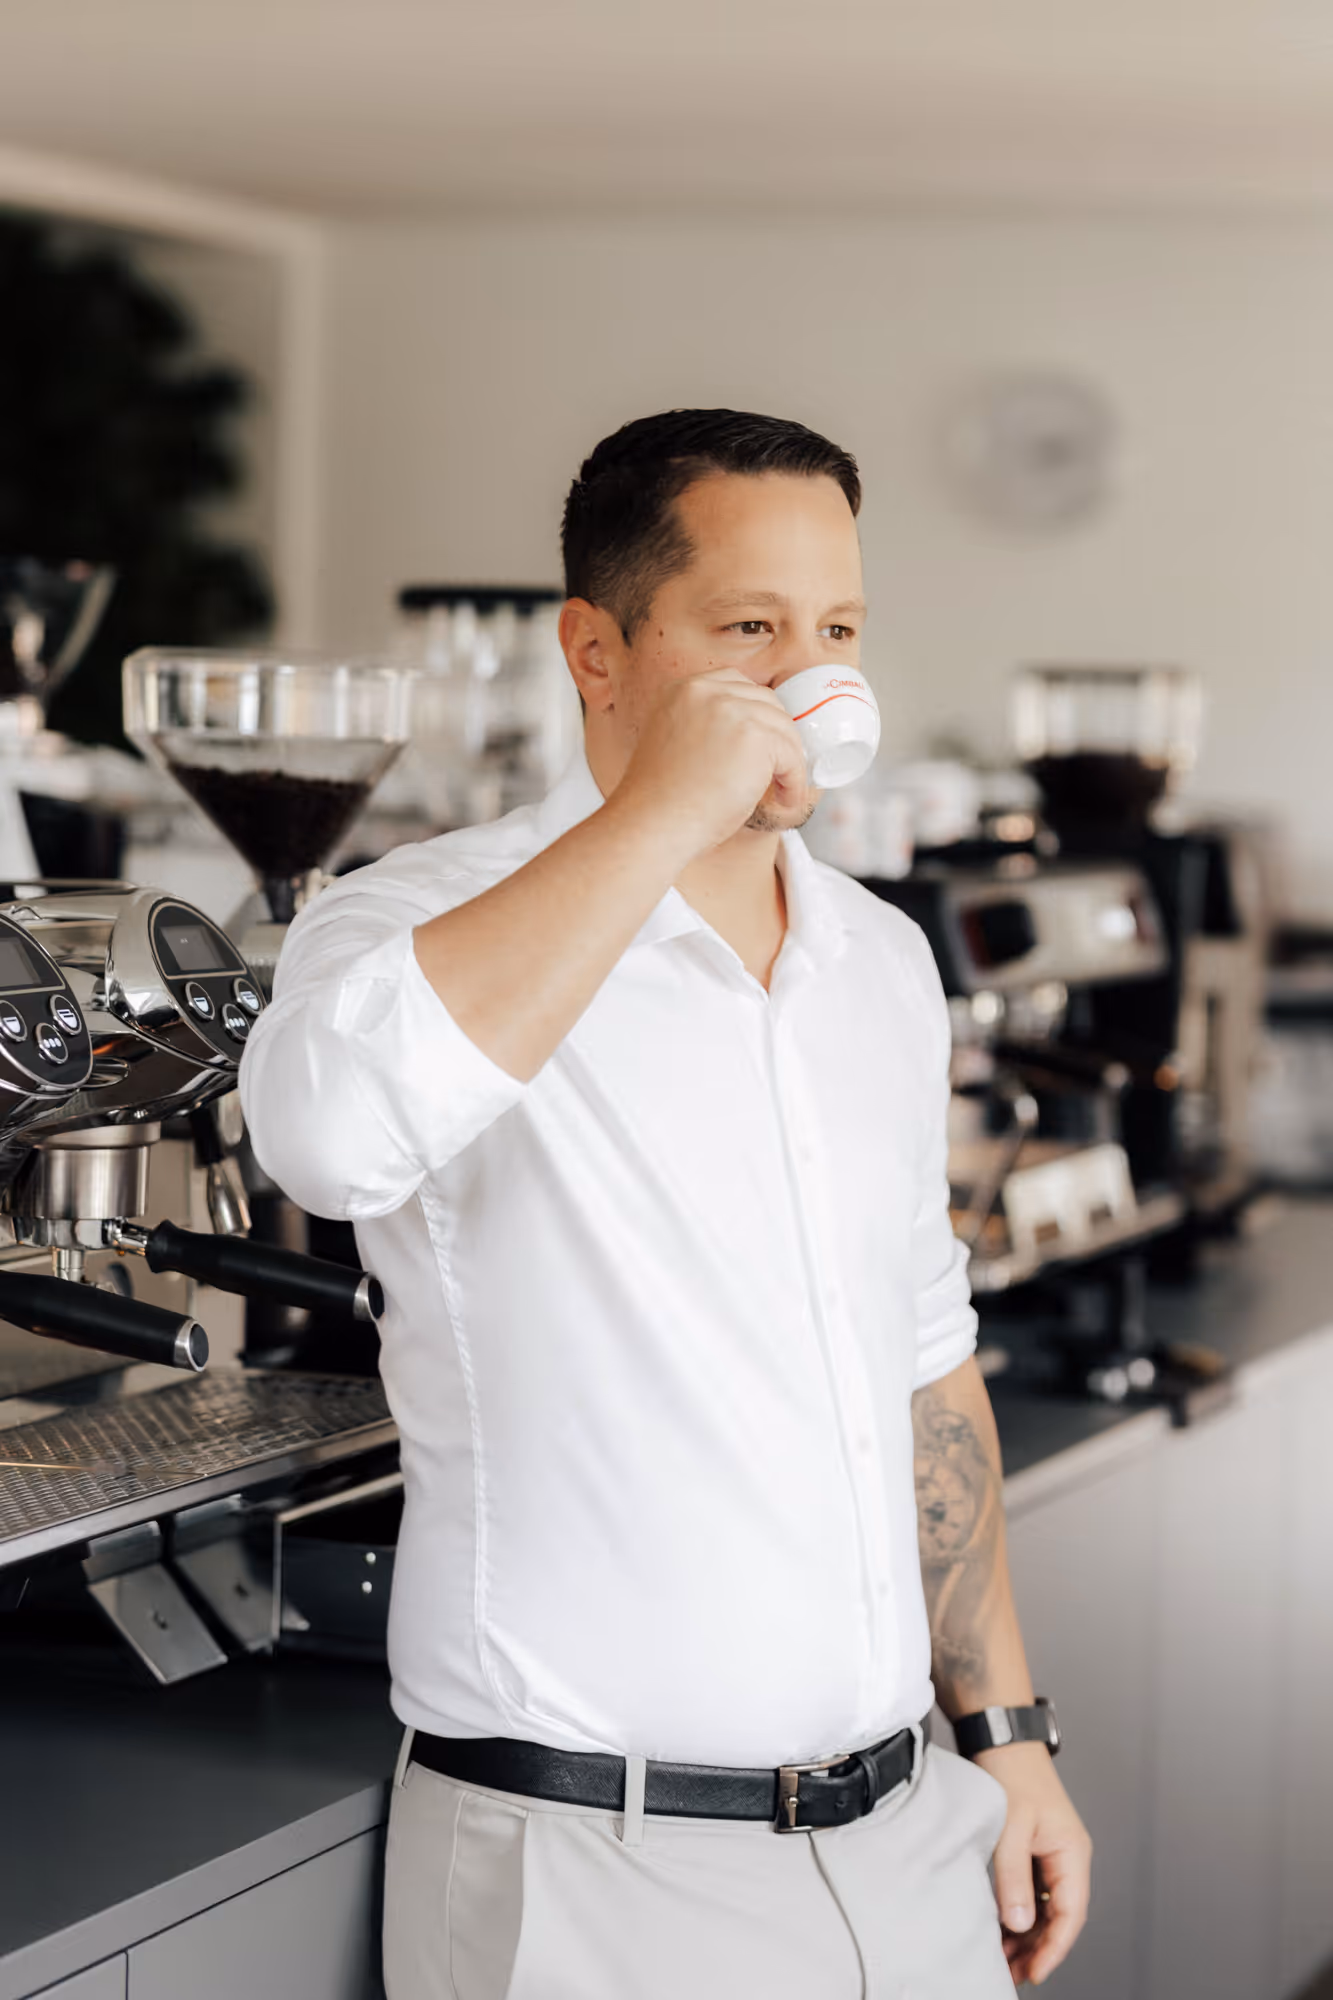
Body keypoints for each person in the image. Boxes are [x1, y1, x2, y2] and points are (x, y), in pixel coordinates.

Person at [240, 408, 1092, 1997]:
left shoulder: (880, 963)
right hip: (587, 1876)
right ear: (599, 652)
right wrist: (660, 816)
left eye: (835, 629)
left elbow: (920, 1365)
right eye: (748, 630)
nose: (810, 678)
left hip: (906, 1837)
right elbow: (327, 1141)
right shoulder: (410, 917)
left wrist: (1009, 1742)